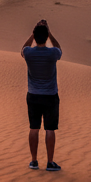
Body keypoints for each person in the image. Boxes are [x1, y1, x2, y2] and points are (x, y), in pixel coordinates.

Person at [22, 20, 63, 171]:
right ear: (46, 37)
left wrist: (33, 34)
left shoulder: (28, 53)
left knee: (34, 127)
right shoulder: (52, 53)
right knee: (50, 129)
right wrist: (49, 33)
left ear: (35, 36)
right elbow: (59, 48)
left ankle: (34, 161)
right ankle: (50, 162)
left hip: (33, 95)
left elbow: (22, 49)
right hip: (50, 95)